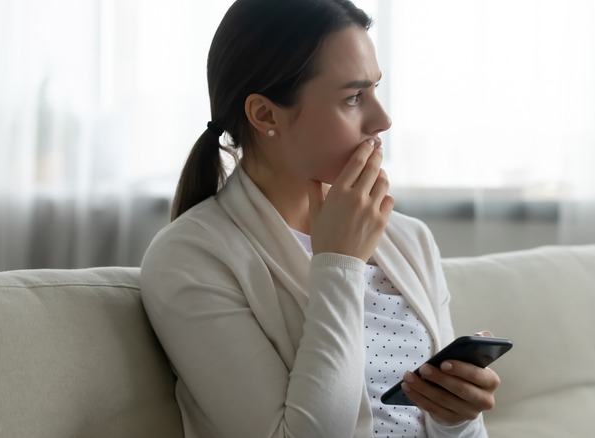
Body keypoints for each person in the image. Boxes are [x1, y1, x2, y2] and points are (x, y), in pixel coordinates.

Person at [140, 0, 501, 436]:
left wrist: (456, 418)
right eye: (353, 97)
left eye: (374, 91)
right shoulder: (191, 257)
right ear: (265, 115)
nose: (382, 120)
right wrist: (339, 264)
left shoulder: (410, 240)